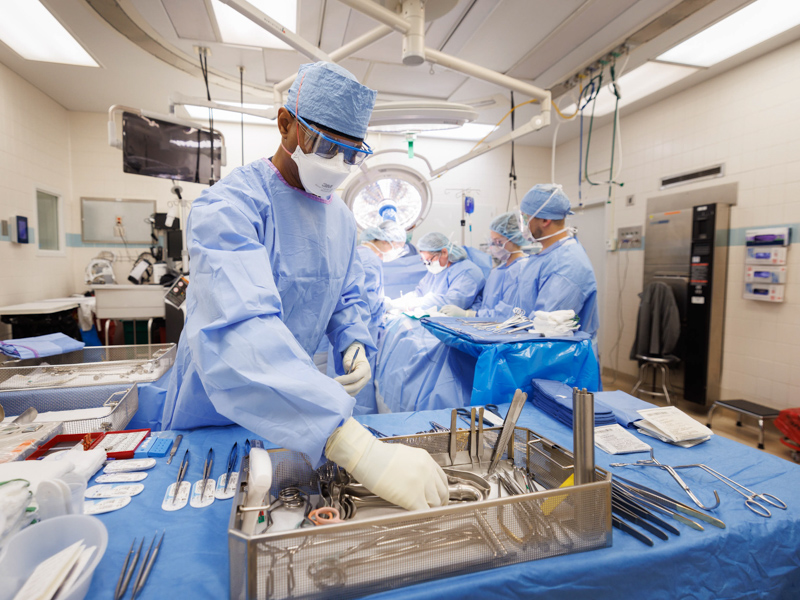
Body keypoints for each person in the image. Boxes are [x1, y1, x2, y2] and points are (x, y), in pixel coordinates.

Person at [162, 61, 447, 512]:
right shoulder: (229, 208)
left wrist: (353, 341)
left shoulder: (338, 216)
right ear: (285, 124)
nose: (337, 166)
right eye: (325, 146)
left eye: (351, 154)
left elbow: (345, 292)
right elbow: (241, 332)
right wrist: (355, 445)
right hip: (219, 410)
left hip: (297, 404)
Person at [333, 220, 407, 414]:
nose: (398, 251)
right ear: (385, 240)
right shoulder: (368, 260)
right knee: (357, 393)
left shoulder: (363, 255)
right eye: (398, 246)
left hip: (359, 332)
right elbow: (363, 303)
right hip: (360, 335)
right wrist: (385, 306)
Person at [513, 184, 599, 339]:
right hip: (534, 348)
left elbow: (546, 329)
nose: (523, 224)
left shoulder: (567, 264)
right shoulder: (547, 256)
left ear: (545, 220)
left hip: (558, 358)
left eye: (526, 218)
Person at [440, 212, 528, 320]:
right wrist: (472, 311)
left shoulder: (520, 270)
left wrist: (471, 315)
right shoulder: (498, 270)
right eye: (493, 241)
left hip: (503, 330)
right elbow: (484, 300)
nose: (493, 246)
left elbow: (507, 313)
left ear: (515, 238)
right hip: (487, 326)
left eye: (498, 241)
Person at [389, 232, 485, 311]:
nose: (428, 264)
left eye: (429, 260)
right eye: (424, 261)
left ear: (444, 252)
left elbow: (453, 303)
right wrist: (398, 303)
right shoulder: (437, 271)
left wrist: (417, 303)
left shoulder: (467, 271)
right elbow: (419, 292)